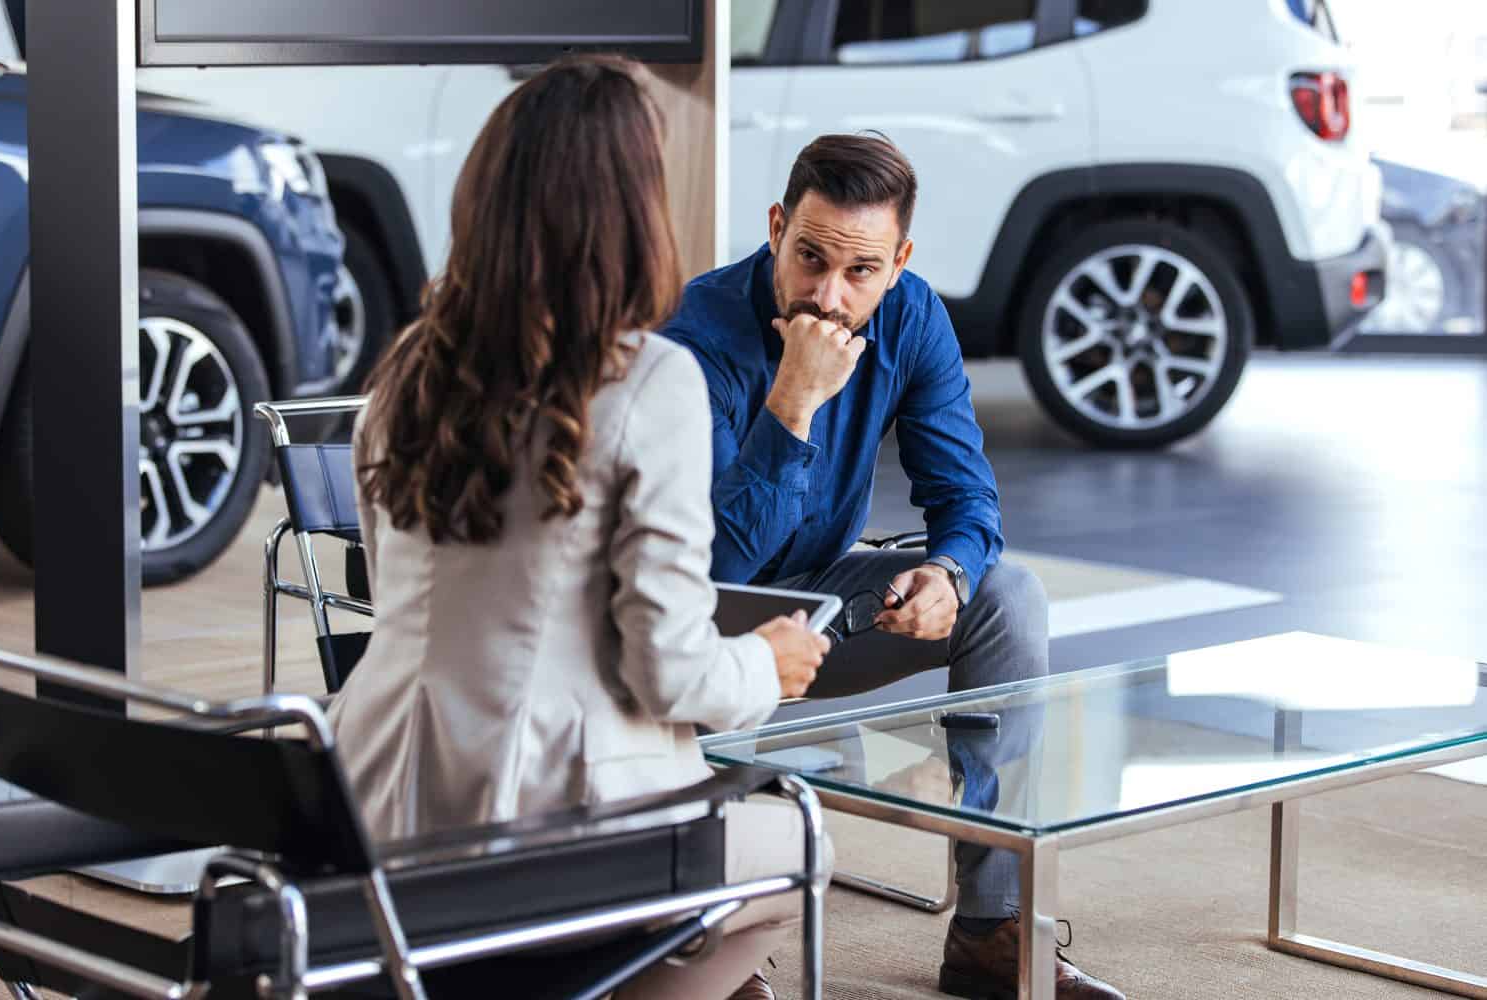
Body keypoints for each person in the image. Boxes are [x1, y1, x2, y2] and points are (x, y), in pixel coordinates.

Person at [327, 55, 831, 1000]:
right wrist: (770, 662)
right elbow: (668, 671)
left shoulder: (401, 373)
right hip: (544, 837)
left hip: (370, 809)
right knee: (801, 839)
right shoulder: (648, 382)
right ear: (633, 209)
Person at [662, 133, 1124, 999]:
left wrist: (948, 573)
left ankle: (991, 927)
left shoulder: (913, 316)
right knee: (694, 627)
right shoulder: (697, 341)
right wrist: (793, 402)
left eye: (861, 270)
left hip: (828, 607)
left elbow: (968, 498)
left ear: (900, 260)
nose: (830, 295)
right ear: (775, 228)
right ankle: (707, 941)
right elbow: (714, 568)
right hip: (705, 626)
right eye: (809, 257)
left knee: (1008, 597)